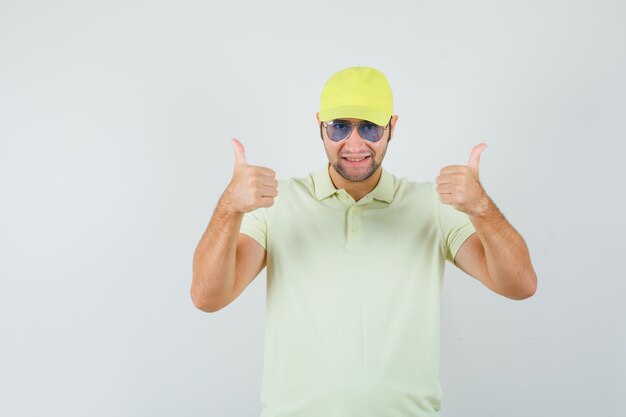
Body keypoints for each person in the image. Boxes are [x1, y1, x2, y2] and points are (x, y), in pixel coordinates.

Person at [190, 66, 537, 417]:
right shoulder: (276, 204)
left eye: (369, 127)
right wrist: (229, 207)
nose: (354, 145)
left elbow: (520, 284)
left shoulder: (431, 206)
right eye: (340, 127)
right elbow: (208, 297)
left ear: (392, 127)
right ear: (320, 126)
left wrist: (480, 208)